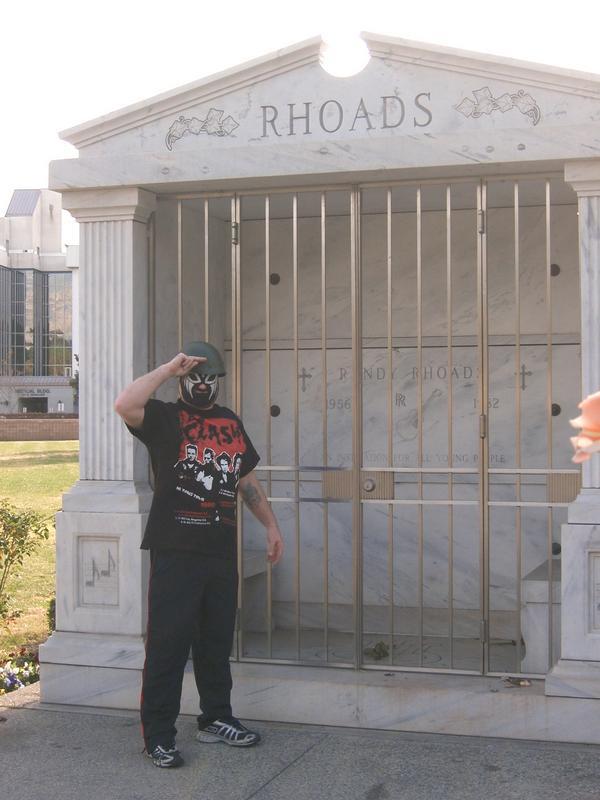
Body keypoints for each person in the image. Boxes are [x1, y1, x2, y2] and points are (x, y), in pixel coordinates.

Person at [114, 341, 284, 768]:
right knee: (168, 644)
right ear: (184, 379)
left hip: (219, 549)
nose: (203, 384)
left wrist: (270, 525)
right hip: (176, 548)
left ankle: (215, 718)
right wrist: (169, 369)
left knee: (215, 640)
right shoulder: (164, 418)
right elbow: (125, 403)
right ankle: (158, 734)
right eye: (195, 377)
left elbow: (246, 480)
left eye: (210, 378)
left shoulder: (229, 422)